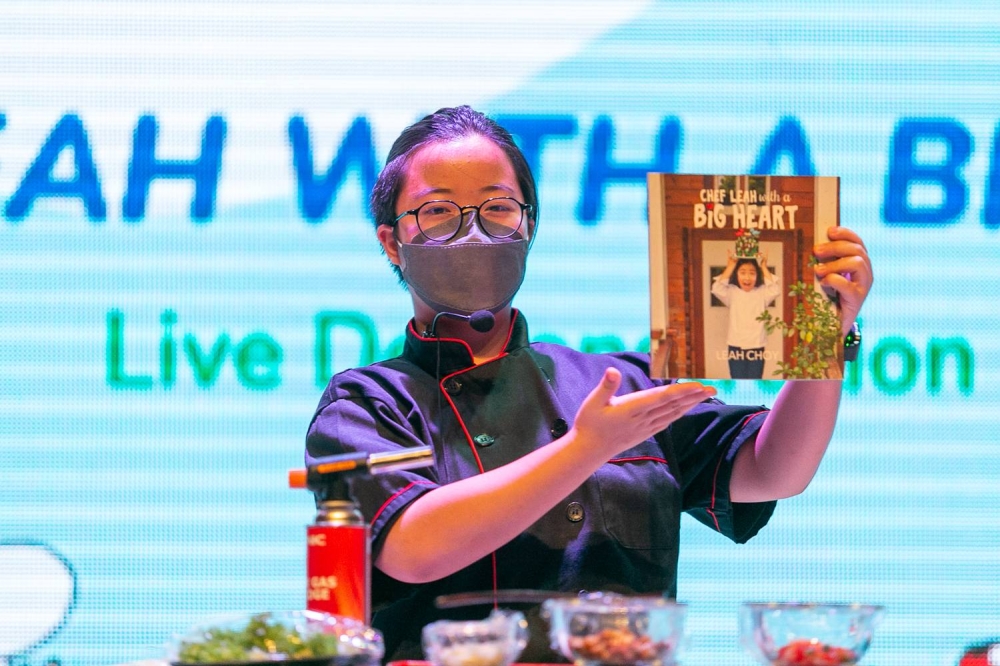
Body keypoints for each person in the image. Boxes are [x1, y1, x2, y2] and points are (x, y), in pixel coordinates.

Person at [304, 106, 873, 662]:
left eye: (498, 208)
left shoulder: (618, 381)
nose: (472, 230)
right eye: (437, 212)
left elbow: (776, 469)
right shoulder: (366, 404)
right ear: (389, 242)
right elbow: (413, 549)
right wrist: (585, 448)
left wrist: (825, 337)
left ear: (528, 226)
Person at [711, 250, 782, 379]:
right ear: (736, 274)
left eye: (752, 273)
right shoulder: (732, 292)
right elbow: (717, 288)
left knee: (755, 379)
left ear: (757, 275)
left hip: (757, 345)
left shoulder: (762, 292)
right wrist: (731, 266)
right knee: (737, 379)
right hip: (735, 344)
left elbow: (775, 290)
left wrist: (764, 267)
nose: (747, 278)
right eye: (742, 272)